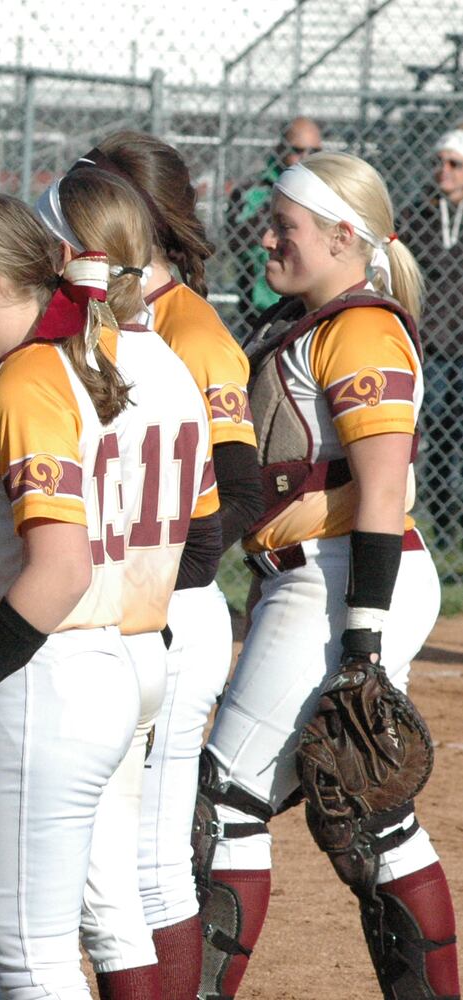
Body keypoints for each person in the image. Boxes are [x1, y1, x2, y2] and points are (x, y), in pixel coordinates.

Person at [198, 152, 459, 1000]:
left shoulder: (362, 328)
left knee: (224, 801)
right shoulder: (313, 320)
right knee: (364, 808)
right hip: (316, 574)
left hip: (344, 574)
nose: (265, 235)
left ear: (345, 238)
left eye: (287, 225)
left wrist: (363, 634)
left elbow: (381, 486)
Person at [0, 189, 138, 1000]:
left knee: (28, 962)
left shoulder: (25, 380)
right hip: (52, 673)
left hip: (41, 676)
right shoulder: (53, 361)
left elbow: (60, 568)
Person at [36, 160, 224, 1000]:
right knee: (134, 884)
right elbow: (209, 531)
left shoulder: (71, 364)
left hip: (81, 647)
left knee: (65, 909)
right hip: (150, 640)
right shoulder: (175, 365)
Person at [83, 131, 264, 998]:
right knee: (117, 853)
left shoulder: (193, 332)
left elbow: (240, 489)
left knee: (148, 857)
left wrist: (157, 574)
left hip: (174, 608)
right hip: (141, 603)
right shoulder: (121, 324)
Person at [399, 126, 463, 554]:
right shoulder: (419, 213)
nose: (442, 171)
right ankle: (444, 530)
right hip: (434, 344)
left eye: (453, 164)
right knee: (437, 438)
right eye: (438, 163)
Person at [227, 116, 323, 327]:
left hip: (314, 306)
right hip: (261, 309)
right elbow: (238, 242)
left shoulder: (328, 192)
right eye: (297, 151)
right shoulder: (253, 190)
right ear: (280, 149)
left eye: (314, 152)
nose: (306, 158)